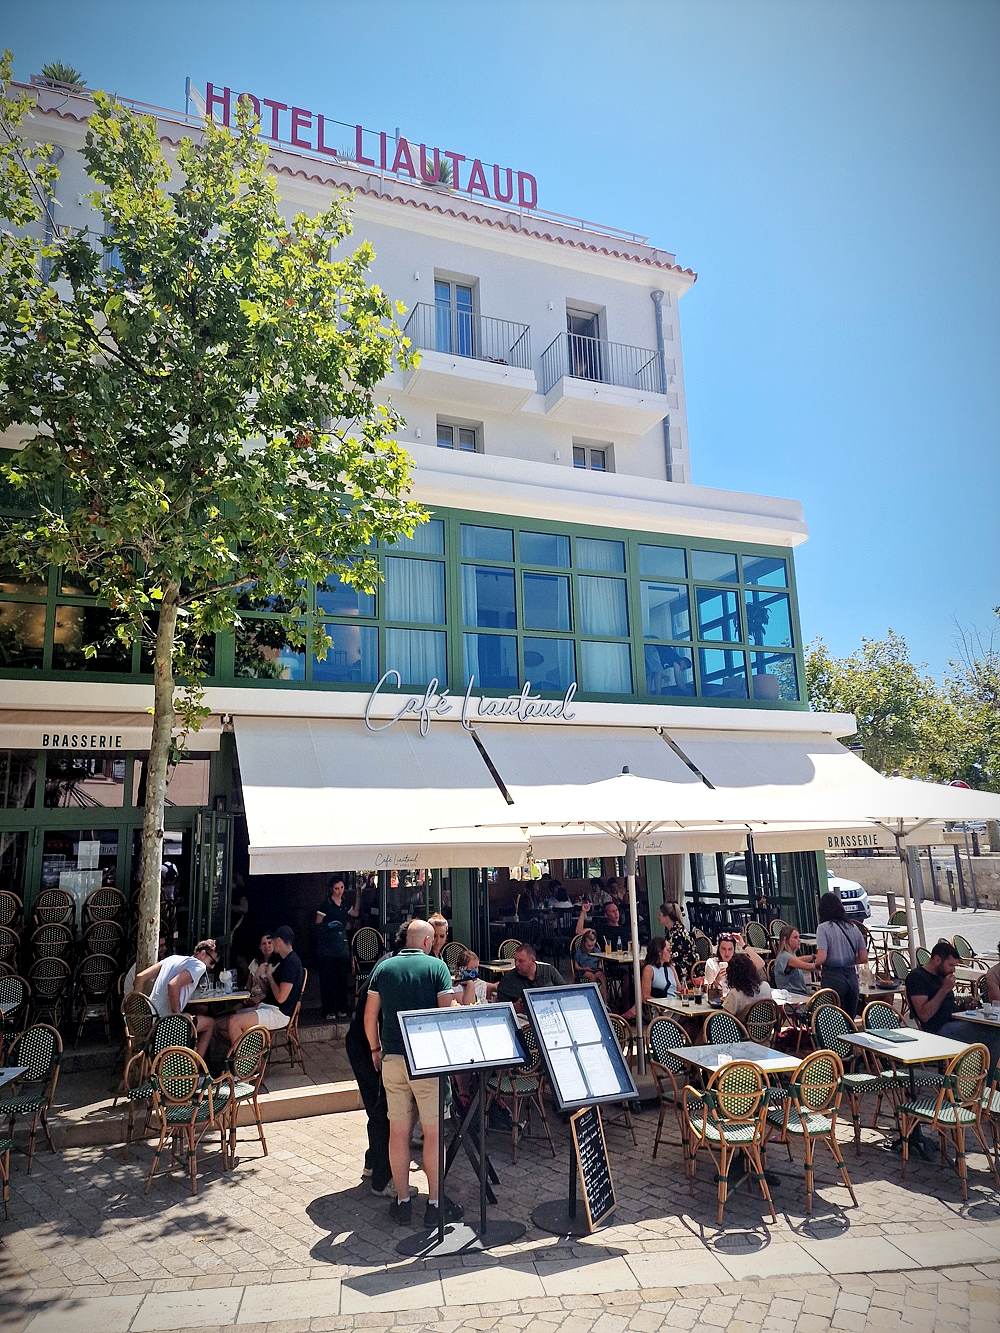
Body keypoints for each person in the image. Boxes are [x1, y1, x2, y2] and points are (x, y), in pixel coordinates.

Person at [365, 919, 462, 1229]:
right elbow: (444, 1012)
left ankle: (403, 1202)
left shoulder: (384, 968)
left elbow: (370, 1015)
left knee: (398, 1131)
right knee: (433, 1133)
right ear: (427, 942)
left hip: (392, 1057)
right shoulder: (437, 967)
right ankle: (434, 1204)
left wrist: (375, 1049)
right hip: (428, 1060)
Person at [905, 939, 1000, 1073]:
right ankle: (988, 1084)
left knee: (991, 1028)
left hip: (953, 1022)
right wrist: (944, 989)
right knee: (995, 1034)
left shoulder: (941, 974)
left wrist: (964, 1006)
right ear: (937, 959)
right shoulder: (917, 978)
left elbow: (947, 1008)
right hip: (937, 1030)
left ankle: (980, 1077)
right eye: (950, 965)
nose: (953, 969)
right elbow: (924, 1015)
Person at [133, 939, 218, 1058]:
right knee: (210, 1024)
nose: (211, 967)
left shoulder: (172, 959)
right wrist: (177, 1015)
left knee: (198, 1011)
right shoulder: (198, 966)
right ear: (203, 954)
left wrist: (137, 1011)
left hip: (150, 1022)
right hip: (165, 1025)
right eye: (212, 962)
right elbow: (173, 984)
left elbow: (140, 977)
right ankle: (195, 1070)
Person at [225, 924, 304, 1042]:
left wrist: (270, 977)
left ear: (278, 940)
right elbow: (269, 993)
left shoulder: (291, 964)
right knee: (220, 1024)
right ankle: (252, 1052)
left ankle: (246, 1059)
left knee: (233, 1022)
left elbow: (281, 998)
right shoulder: (284, 961)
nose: (271, 945)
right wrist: (260, 978)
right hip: (268, 1006)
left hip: (279, 1013)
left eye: (272, 941)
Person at [814, 891, 867, 1019]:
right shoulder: (854, 928)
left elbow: (821, 958)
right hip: (852, 977)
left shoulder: (823, 928)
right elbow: (863, 958)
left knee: (835, 1020)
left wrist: (815, 964)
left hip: (832, 977)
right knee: (850, 1019)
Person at [315, 874, 359, 1021]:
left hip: (342, 945)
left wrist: (358, 896)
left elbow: (355, 913)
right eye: (336, 888)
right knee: (328, 979)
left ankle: (342, 1008)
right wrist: (329, 926)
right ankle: (329, 1010)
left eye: (341, 888)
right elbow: (318, 925)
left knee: (342, 979)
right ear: (331, 889)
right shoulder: (325, 905)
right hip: (327, 947)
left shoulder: (345, 903)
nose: (339, 891)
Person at [495, 943, 566, 1015]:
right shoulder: (508, 980)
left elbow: (565, 993)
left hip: (550, 1012)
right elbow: (500, 1010)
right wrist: (515, 1007)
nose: (516, 964)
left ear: (532, 960)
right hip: (523, 1020)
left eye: (521, 961)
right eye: (515, 960)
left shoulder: (549, 971)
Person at [623, 937, 679, 1020]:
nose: (671, 953)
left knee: (697, 1021)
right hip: (662, 1011)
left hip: (676, 1006)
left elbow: (680, 989)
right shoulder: (650, 970)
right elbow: (645, 997)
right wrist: (661, 1004)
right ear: (659, 952)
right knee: (693, 1021)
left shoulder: (671, 968)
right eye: (668, 950)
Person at [704, 933, 765, 998]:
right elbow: (707, 990)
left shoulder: (739, 963)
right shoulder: (712, 963)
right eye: (723, 949)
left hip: (738, 999)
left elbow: (761, 964)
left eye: (730, 949)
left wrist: (743, 945)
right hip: (719, 999)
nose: (727, 953)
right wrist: (716, 981)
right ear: (718, 949)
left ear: (734, 949)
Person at [723, 951, 773, 1019]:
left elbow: (724, 1018)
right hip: (766, 1027)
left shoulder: (735, 994)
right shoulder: (766, 986)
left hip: (743, 1028)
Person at [773, 925, 816, 998]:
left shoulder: (791, 956)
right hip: (793, 998)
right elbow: (807, 966)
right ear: (786, 940)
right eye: (795, 937)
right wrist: (825, 964)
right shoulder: (785, 957)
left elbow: (800, 959)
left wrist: (813, 957)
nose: (799, 940)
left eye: (799, 937)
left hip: (800, 995)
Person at [657, 901, 695, 978]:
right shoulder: (669, 930)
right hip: (677, 962)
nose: (658, 917)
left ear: (666, 917)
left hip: (685, 966)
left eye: (660, 915)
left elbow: (674, 954)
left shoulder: (677, 932)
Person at [571, 929, 608, 1001]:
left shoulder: (596, 950)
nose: (591, 948)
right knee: (592, 977)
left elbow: (600, 961)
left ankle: (605, 1001)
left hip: (594, 969)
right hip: (583, 970)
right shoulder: (579, 952)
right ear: (584, 943)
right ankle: (593, 999)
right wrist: (584, 968)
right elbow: (576, 966)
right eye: (589, 946)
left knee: (602, 977)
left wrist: (600, 966)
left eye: (593, 945)